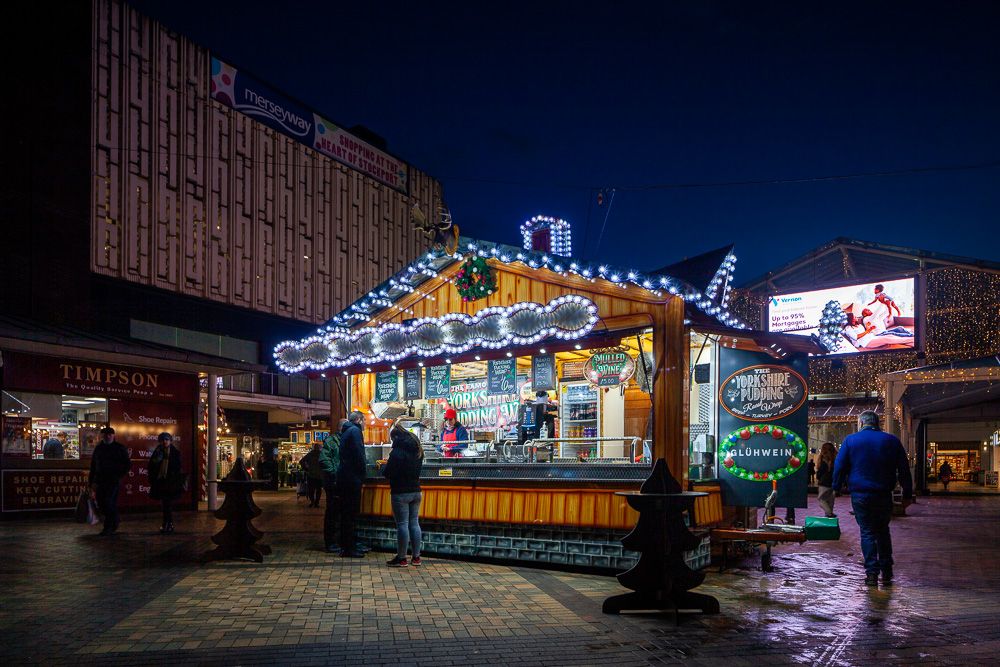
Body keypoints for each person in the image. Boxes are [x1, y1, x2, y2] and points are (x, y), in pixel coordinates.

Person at [833, 410, 913, 586]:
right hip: (883, 494)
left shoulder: (850, 440)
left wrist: (836, 487)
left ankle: (871, 574)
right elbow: (904, 469)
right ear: (877, 423)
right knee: (883, 530)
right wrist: (907, 493)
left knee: (867, 532)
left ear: (861, 423)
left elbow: (839, 466)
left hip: (860, 495)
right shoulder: (892, 440)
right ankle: (887, 570)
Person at [383, 420, 424, 567]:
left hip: (400, 492)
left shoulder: (397, 452)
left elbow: (388, 473)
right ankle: (416, 557)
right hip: (416, 491)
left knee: (402, 524)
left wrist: (384, 467)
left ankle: (401, 558)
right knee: (414, 523)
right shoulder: (418, 449)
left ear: (396, 438)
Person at [88, 426, 131, 536]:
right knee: (101, 502)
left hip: (112, 480)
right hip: (100, 480)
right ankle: (114, 520)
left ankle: (109, 526)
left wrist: (118, 475)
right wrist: (91, 482)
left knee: (108, 502)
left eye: (110, 434)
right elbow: (93, 466)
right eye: (105, 435)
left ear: (113, 435)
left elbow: (127, 464)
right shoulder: (99, 448)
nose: (107, 436)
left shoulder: (119, 448)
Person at [337, 411, 367, 557]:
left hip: (345, 477)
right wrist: (363, 474)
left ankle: (347, 546)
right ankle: (349, 548)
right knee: (351, 513)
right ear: (359, 420)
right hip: (352, 478)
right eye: (365, 420)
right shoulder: (355, 431)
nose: (365, 424)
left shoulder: (346, 431)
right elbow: (359, 454)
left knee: (346, 514)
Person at [148, 432, 183, 534]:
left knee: (167, 503)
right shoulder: (157, 451)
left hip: (170, 481)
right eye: (163, 440)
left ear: (170, 441)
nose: (165, 442)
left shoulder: (175, 452)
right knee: (165, 503)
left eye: (167, 440)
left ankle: (168, 523)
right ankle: (167, 523)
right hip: (161, 481)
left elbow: (178, 467)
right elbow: (151, 465)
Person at [319, 429, 342, 553]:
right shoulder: (331, 441)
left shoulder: (339, 441)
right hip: (333, 483)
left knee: (337, 513)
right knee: (332, 513)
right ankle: (331, 542)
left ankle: (337, 540)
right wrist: (335, 473)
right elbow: (324, 460)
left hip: (338, 482)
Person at [815, 442, 837, 518]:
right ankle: (829, 517)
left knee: (821, 500)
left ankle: (829, 513)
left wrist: (818, 477)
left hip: (823, 483)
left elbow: (819, 473)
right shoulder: (835, 460)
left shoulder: (822, 460)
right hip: (832, 483)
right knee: (830, 502)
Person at [299, 442, 324, 507]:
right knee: (318, 490)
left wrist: (306, 469)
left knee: (311, 490)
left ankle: (312, 502)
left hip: (311, 475)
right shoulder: (322, 454)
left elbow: (301, 461)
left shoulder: (310, 454)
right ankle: (316, 503)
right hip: (319, 475)